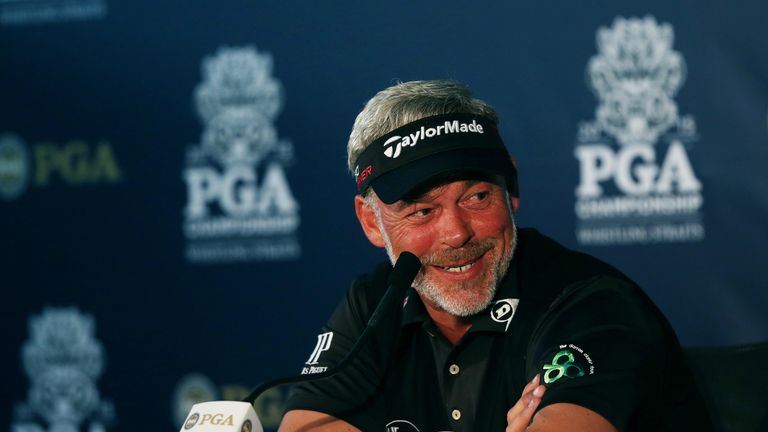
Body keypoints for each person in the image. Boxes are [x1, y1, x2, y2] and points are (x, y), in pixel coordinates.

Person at [278, 80, 712, 431]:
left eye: (478, 197)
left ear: (512, 189)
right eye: (422, 211)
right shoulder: (374, 302)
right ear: (372, 222)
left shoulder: (591, 303)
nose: (456, 233)